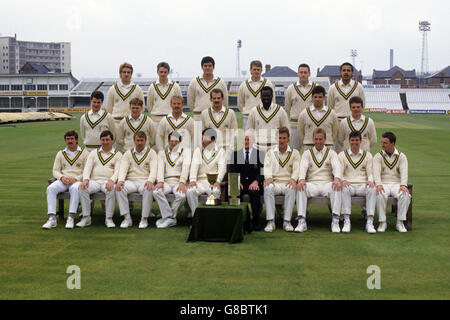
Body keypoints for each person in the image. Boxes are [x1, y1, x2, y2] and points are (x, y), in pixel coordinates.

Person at [296, 128, 342, 233]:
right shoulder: (307, 153)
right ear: (313, 139)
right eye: (316, 139)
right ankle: (301, 221)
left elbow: (336, 167)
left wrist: (337, 179)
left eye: (320, 139)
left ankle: (335, 221)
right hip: (312, 184)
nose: (318, 141)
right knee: (301, 187)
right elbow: (302, 167)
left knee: (336, 187)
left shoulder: (332, 153)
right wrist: (302, 179)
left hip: (327, 184)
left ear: (325, 139)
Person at [42, 130, 89, 229]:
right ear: (65, 141)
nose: (70, 141)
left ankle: (70, 218)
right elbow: (55, 170)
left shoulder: (84, 153)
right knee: (50, 188)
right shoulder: (60, 153)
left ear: (76, 140)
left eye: (72, 139)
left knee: (75, 189)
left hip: (77, 181)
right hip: (63, 180)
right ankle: (52, 219)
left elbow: (86, 171)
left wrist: (76, 179)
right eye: (67, 139)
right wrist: (62, 177)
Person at [78, 130, 122, 228]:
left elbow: (118, 171)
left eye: (107, 140)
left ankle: (109, 218)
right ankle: (86, 217)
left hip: (108, 181)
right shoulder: (93, 153)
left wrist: (112, 180)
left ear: (112, 141)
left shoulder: (118, 154)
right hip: (94, 181)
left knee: (111, 189)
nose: (105, 142)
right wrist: (85, 179)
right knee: (82, 188)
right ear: (100, 141)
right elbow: (87, 168)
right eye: (103, 140)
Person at [115, 131, 158, 229]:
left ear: (145, 141)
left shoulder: (151, 153)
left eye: (141, 140)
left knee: (148, 188)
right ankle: (127, 218)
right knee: (119, 188)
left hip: (145, 180)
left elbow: (154, 170)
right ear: (134, 141)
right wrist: (121, 180)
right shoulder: (127, 153)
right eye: (137, 140)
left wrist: (150, 181)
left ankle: (144, 218)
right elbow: (123, 169)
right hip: (131, 181)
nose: (139, 143)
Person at [263, 127, 300, 232]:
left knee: (291, 188)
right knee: (268, 188)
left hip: (288, 182)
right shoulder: (270, 152)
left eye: (284, 138)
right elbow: (267, 167)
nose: (282, 140)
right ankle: (270, 221)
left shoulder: (295, 153)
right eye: (280, 138)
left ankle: (287, 221)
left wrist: (293, 179)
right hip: (275, 183)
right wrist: (269, 178)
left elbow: (297, 169)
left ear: (288, 139)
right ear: (276, 139)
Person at [338, 131, 376, 233]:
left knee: (372, 188)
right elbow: (339, 172)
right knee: (344, 188)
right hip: (348, 185)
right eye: (352, 140)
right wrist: (343, 180)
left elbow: (370, 172)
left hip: (362, 185)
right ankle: (346, 220)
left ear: (361, 141)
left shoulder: (368, 155)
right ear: (349, 141)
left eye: (357, 140)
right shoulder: (342, 155)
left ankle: (370, 221)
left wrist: (370, 181)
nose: (355, 142)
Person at [228, 130, 265, 231]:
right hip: (241, 184)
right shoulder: (235, 154)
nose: (246, 141)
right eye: (245, 139)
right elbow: (232, 171)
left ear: (253, 140)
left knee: (254, 192)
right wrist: (237, 182)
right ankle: (236, 222)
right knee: (234, 192)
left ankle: (255, 222)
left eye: (249, 139)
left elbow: (262, 172)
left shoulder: (260, 154)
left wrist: (256, 181)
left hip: (254, 184)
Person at [373, 132, 410, 233]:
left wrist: (403, 185)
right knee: (379, 194)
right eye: (382, 142)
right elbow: (376, 173)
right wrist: (378, 184)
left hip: (396, 184)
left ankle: (400, 222)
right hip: (383, 184)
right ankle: (382, 222)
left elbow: (404, 172)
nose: (382, 145)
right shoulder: (378, 156)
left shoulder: (401, 156)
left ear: (392, 143)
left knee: (405, 194)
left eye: (385, 143)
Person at [153, 131, 191, 228]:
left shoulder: (185, 152)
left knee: (181, 195)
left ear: (180, 141)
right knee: (156, 191)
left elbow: (186, 168)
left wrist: (182, 182)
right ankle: (170, 217)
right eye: (172, 141)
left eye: (176, 141)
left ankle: (168, 218)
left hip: (178, 181)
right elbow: (160, 168)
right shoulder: (162, 153)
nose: (174, 143)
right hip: (166, 181)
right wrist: (160, 181)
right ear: (168, 141)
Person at [186, 128, 227, 216]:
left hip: (213, 183)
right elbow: (194, 167)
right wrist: (192, 180)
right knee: (190, 191)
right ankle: (196, 217)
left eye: (203, 139)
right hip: (200, 182)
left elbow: (222, 168)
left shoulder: (221, 152)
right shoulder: (198, 151)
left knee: (215, 192)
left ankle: (211, 218)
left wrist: (218, 181)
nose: (201, 141)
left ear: (212, 140)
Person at [247, 86, 289, 152]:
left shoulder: (280, 111)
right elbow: (249, 131)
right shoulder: (254, 111)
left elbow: (286, 130)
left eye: (268, 95)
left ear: (272, 96)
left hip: (275, 147)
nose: (266, 98)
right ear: (260, 97)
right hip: (258, 147)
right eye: (264, 96)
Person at [285, 63, 316, 150]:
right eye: (301, 72)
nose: (303, 75)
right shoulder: (291, 88)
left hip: (311, 124)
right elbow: (287, 108)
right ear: (298, 74)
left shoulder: (315, 88)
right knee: (295, 152)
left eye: (305, 72)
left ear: (309, 74)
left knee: (311, 152)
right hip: (295, 125)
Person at [297, 85, 338, 151]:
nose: (317, 99)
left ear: (324, 97)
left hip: (327, 146)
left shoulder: (332, 113)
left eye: (320, 97)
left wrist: (328, 142)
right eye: (315, 97)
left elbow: (335, 132)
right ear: (312, 98)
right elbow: (300, 132)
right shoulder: (304, 113)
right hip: (309, 146)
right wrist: (306, 142)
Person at [187, 56, 228, 121]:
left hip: (215, 116)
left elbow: (225, 102)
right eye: (205, 66)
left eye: (210, 66)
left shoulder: (221, 83)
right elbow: (190, 102)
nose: (207, 68)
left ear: (213, 67)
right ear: (202, 67)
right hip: (198, 116)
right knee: (197, 131)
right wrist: (197, 110)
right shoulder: (194, 82)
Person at [238, 60, 275, 129]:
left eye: (258, 69)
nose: (256, 71)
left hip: (264, 117)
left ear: (261, 70)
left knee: (263, 138)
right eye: (254, 69)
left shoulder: (268, 83)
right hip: (247, 118)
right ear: (250, 70)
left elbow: (273, 101)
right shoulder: (243, 85)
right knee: (248, 139)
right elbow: (240, 103)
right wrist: (246, 112)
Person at [106, 62, 145, 128]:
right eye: (124, 72)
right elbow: (109, 108)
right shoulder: (112, 89)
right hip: (116, 122)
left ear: (131, 74)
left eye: (128, 72)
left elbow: (142, 107)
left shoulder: (137, 89)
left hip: (132, 122)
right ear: (120, 74)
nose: (126, 74)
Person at [201, 88, 238, 153]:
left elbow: (235, 133)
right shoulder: (204, 113)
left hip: (226, 149)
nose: (216, 100)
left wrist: (230, 148)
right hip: (210, 150)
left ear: (222, 99)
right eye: (214, 98)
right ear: (211, 99)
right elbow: (201, 134)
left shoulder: (231, 113)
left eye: (218, 98)